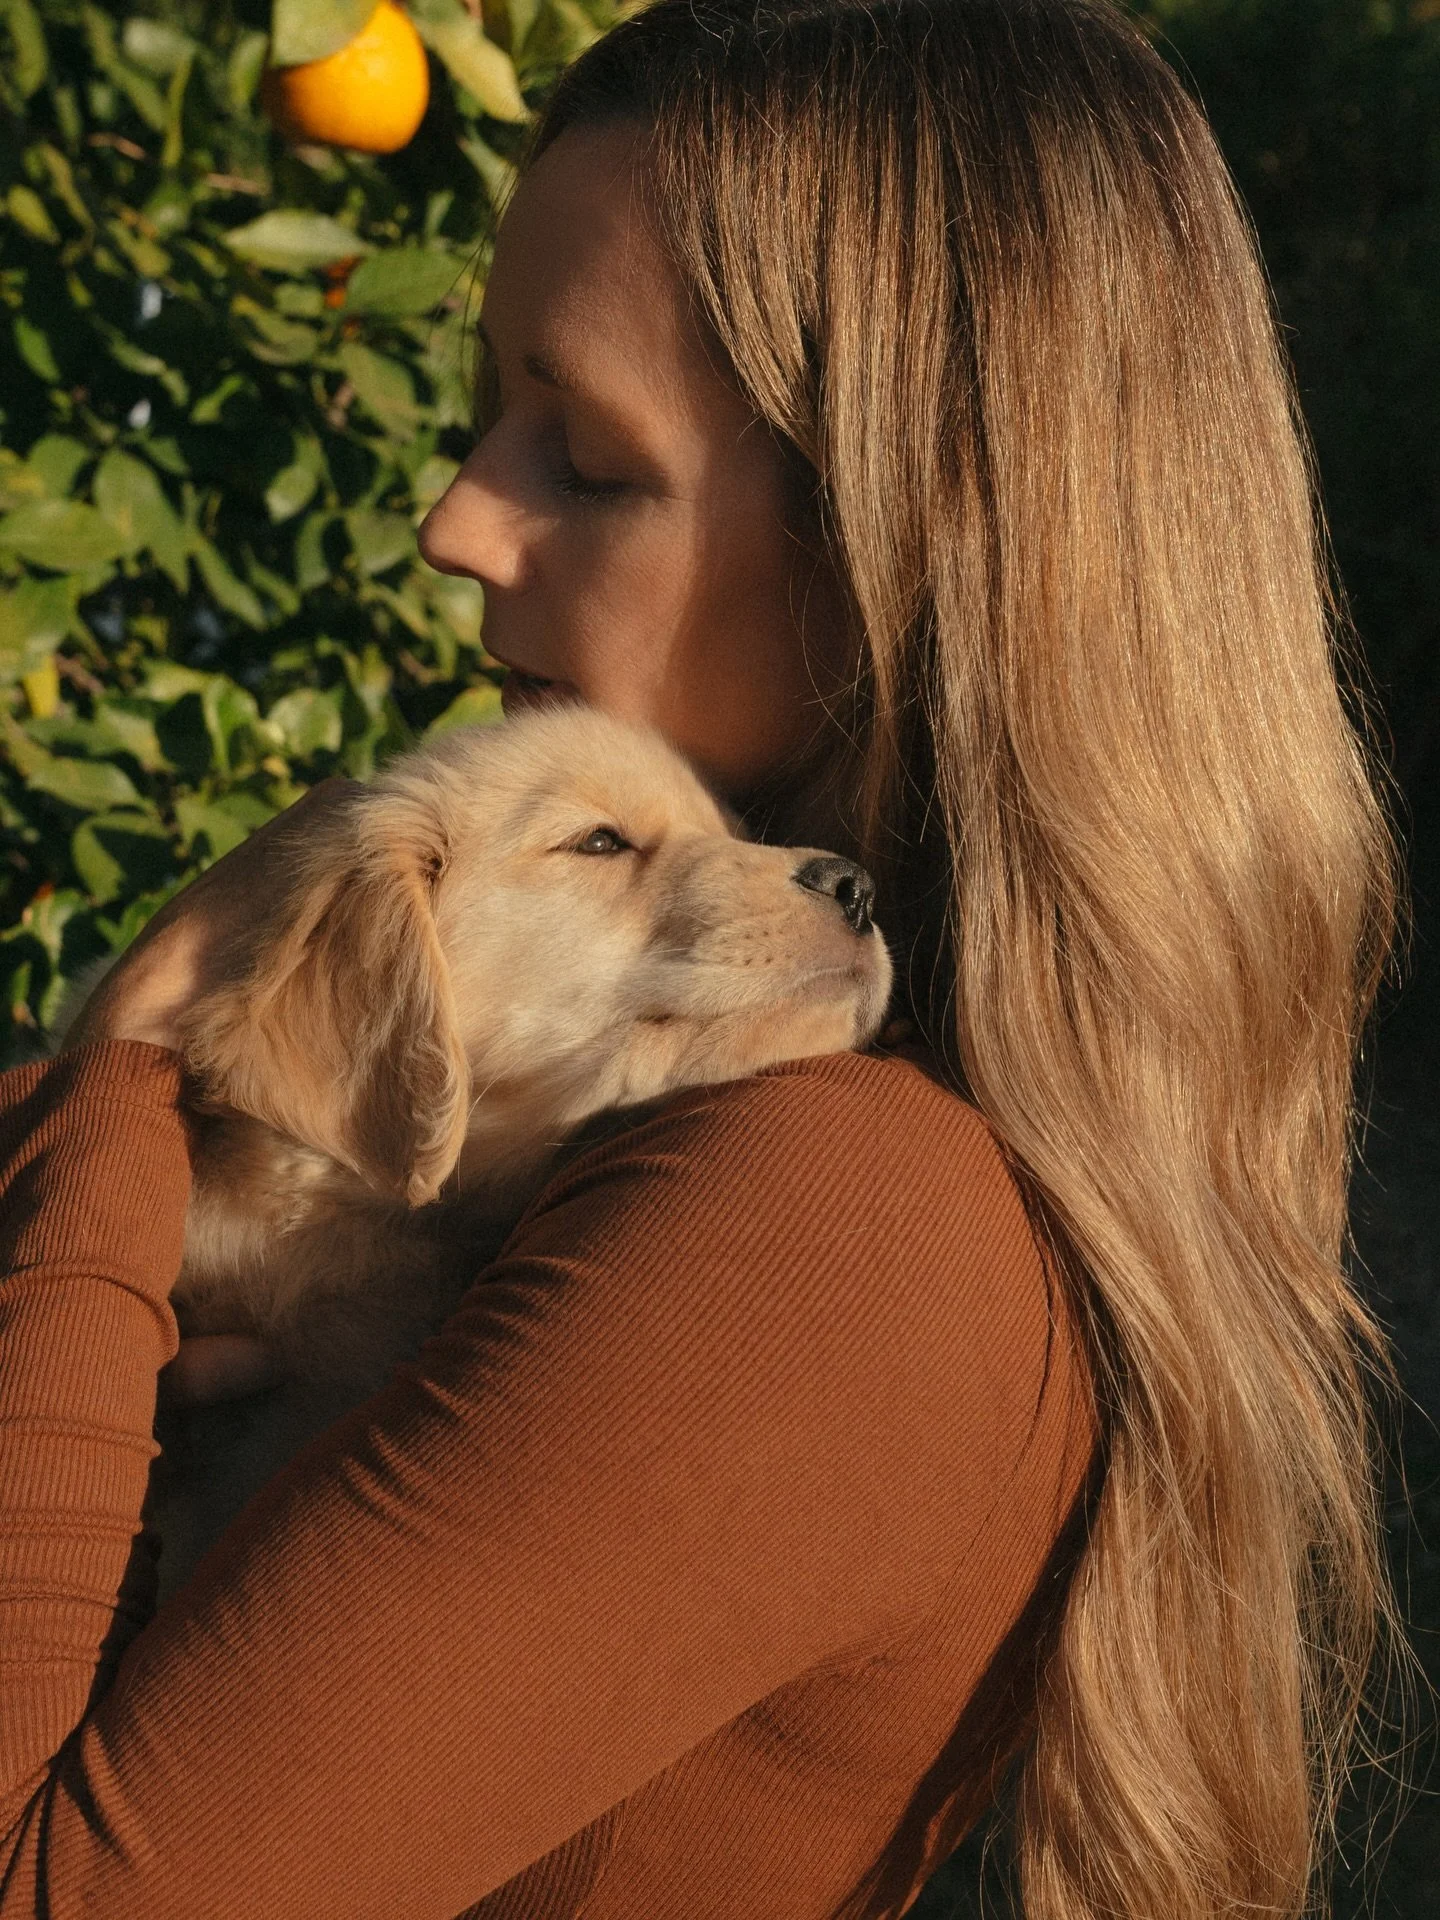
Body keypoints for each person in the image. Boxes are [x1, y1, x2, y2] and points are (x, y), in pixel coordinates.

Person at [0, 1, 1409, 1915]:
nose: (451, 519)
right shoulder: (747, 1158)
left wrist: (120, 1083)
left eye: (583, 456)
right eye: (490, 416)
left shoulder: (832, 1211)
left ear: (897, 542)